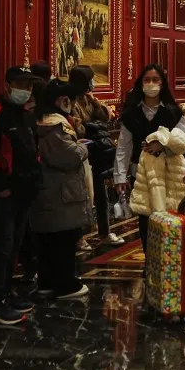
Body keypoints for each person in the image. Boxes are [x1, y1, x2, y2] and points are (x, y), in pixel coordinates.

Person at [0, 66, 41, 324]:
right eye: (21, 84)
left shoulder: (24, 115)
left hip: (24, 191)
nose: (25, 89)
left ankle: (7, 292)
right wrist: (0, 185)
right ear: (8, 84)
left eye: (29, 85)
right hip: (4, 192)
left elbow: (31, 149)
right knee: (2, 245)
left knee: (14, 244)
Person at [114, 65, 185, 255]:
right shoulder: (132, 114)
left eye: (156, 80)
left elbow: (184, 140)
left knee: (170, 217)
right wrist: (120, 176)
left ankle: (169, 261)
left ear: (162, 84)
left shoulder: (173, 112)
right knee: (146, 219)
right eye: (147, 80)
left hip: (169, 172)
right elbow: (124, 146)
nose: (151, 84)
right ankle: (151, 262)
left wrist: (163, 146)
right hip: (141, 173)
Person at [32, 80, 93, 300]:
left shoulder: (42, 121)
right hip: (61, 193)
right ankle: (66, 285)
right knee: (63, 241)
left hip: (50, 191)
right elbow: (67, 156)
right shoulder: (54, 126)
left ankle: (47, 282)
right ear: (62, 100)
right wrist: (82, 148)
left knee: (50, 242)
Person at [69, 65, 123, 248]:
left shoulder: (88, 99)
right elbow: (78, 129)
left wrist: (96, 103)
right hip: (82, 155)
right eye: (90, 79)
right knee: (83, 198)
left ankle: (104, 232)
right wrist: (90, 125)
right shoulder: (72, 102)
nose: (93, 83)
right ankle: (79, 237)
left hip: (97, 154)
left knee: (101, 195)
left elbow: (104, 117)